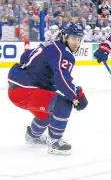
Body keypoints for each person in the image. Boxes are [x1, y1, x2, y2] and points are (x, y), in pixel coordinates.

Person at [7, 23, 89, 155]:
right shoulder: (64, 53)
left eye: (79, 39)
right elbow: (61, 79)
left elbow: (25, 56)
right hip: (26, 91)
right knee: (63, 103)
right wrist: (75, 95)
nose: (76, 42)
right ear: (64, 36)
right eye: (73, 38)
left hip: (16, 90)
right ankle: (55, 142)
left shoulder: (50, 45)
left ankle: (33, 136)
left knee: (46, 113)